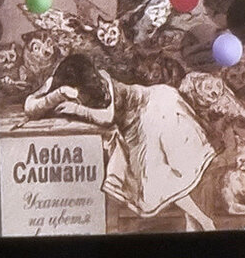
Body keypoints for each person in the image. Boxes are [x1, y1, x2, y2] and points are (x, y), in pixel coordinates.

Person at [25, 54, 217, 231]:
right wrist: (57, 93)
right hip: (135, 128)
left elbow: (108, 117)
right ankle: (197, 221)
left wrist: (76, 109)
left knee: (162, 177)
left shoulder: (103, 79)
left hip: (154, 111)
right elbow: (30, 108)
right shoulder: (60, 85)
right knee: (167, 178)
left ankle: (202, 221)